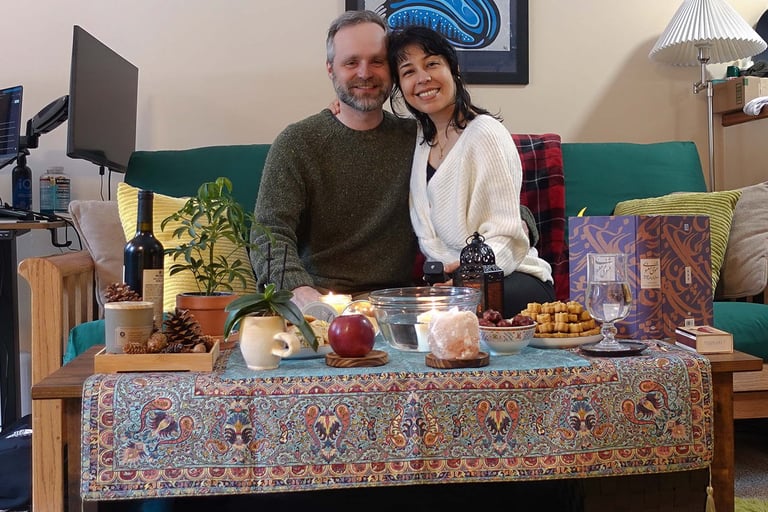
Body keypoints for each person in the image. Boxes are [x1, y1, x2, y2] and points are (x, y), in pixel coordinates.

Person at [251, 10, 419, 309]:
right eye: (351, 62)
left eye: (377, 61)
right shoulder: (298, 142)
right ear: (331, 69)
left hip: (398, 304)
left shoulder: (418, 139)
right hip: (317, 300)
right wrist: (303, 294)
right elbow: (269, 233)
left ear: (392, 69)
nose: (365, 73)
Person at [387, 25, 555, 318]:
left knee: (454, 311)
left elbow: (506, 234)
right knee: (402, 310)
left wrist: (465, 279)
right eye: (408, 71)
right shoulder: (417, 141)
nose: (423, 78)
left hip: (509, 276)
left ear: (453, 69)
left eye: (432, 64)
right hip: (451, 283)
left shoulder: (485, 134)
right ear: (400, 87)